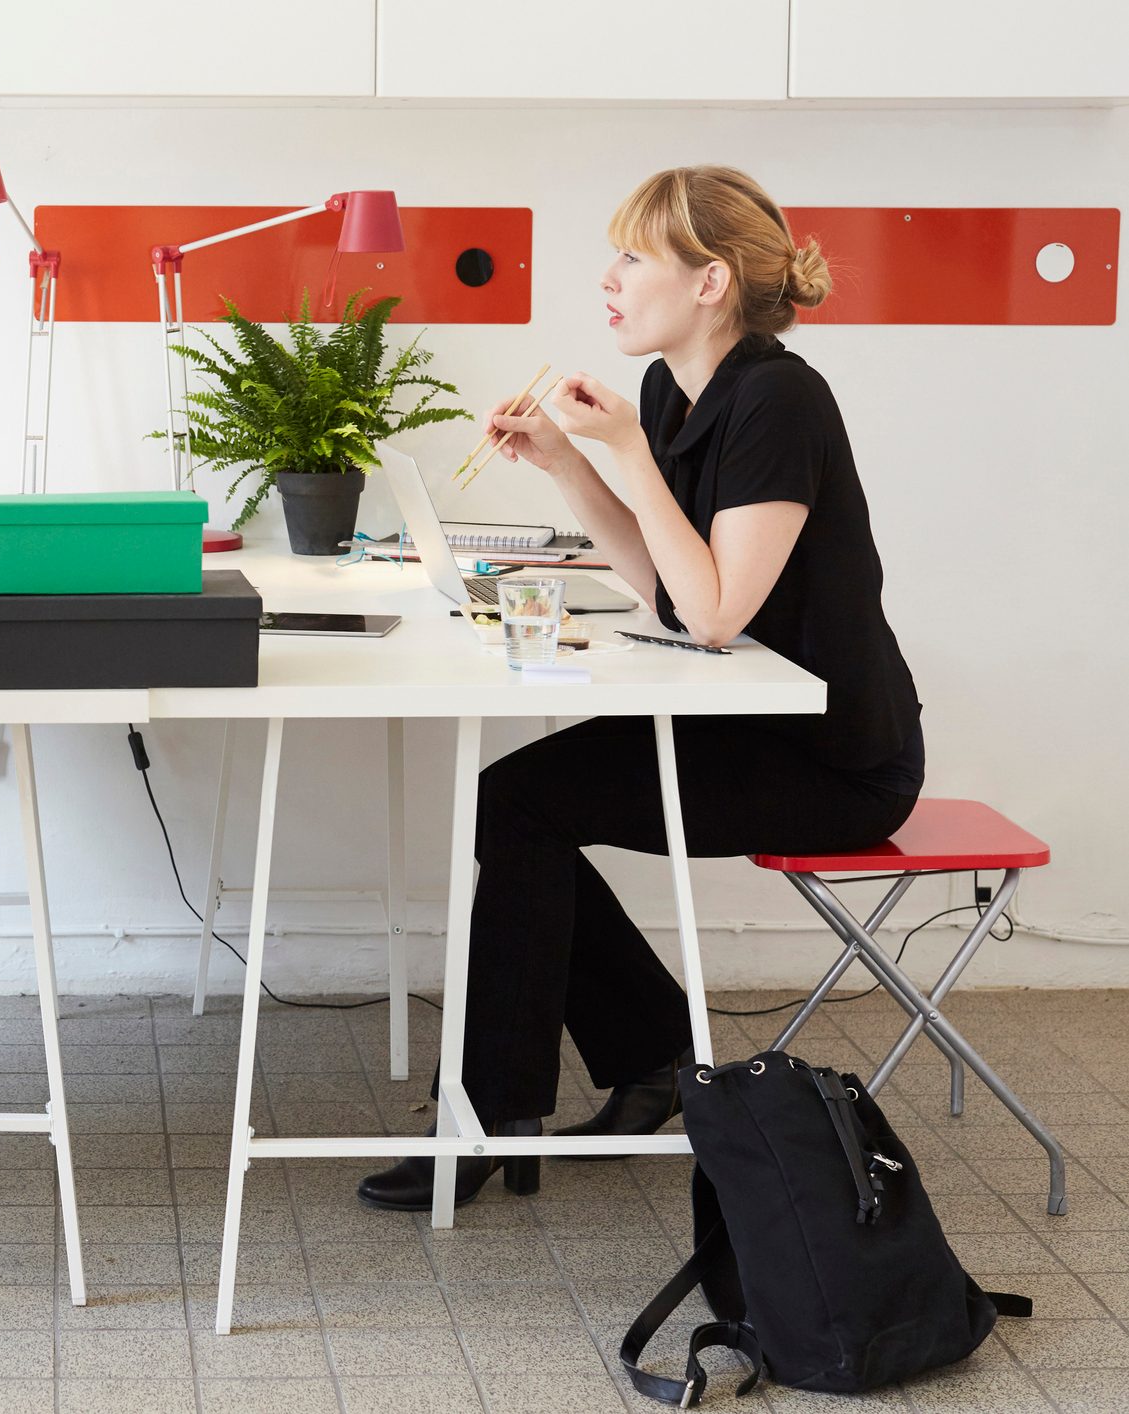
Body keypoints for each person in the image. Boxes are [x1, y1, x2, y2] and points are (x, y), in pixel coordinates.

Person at [357, 166, 924, 1211]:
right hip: (742, 720)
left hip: (833, 757)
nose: (608, 279)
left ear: (709, 282)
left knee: (519, 803)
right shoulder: (673, 390)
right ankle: (624, 1064)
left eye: (631, 256)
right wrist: (568, 464)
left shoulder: (781, 400)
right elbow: (664, 586)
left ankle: (491, 1116)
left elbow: (713, 613)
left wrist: (624, 449)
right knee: (515, 802)